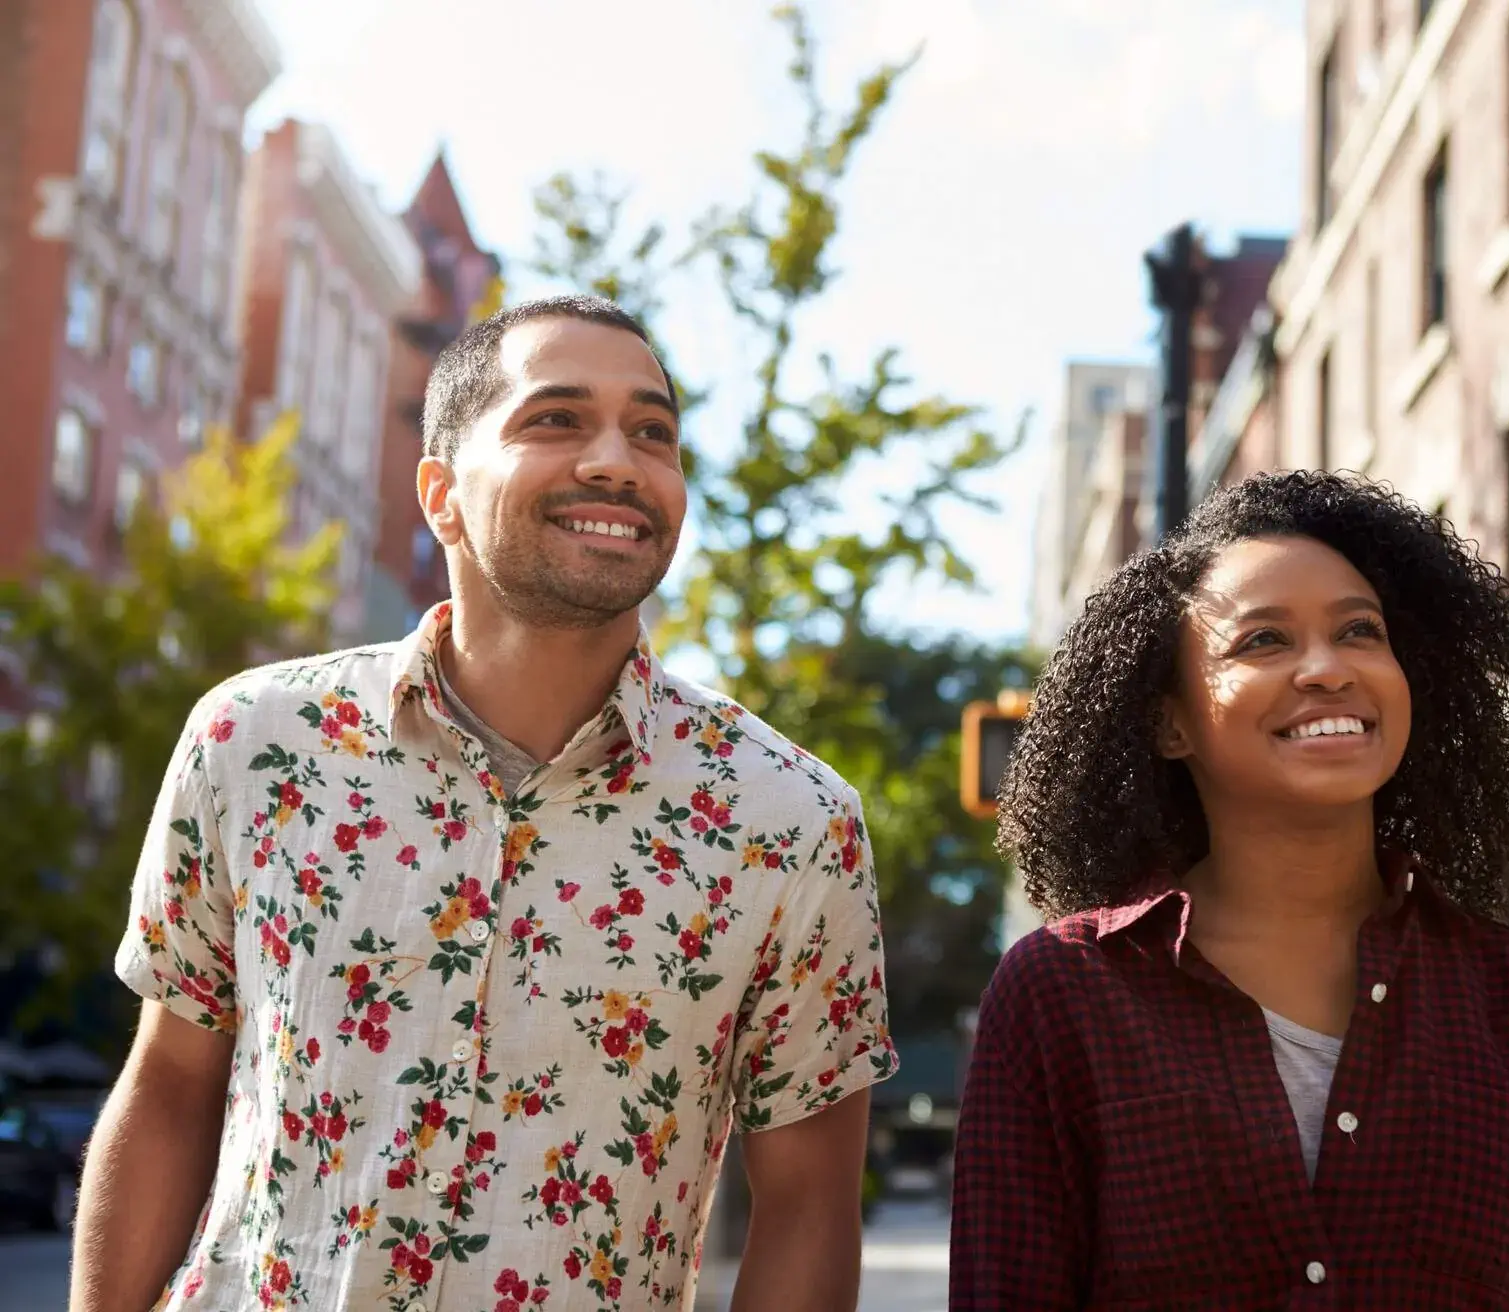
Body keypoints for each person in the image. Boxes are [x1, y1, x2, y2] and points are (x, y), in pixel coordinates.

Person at [71, 295, 896, 1312]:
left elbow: (809, 1207)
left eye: (654, 432)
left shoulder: (793, 823)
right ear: (441, 495)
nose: (616, 461)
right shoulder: (254, 743)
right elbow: (169, 1089)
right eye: (555, 418)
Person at [950, 471, 1509, 1310]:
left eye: (1361, 632)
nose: (1328, 668)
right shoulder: (1061, 995)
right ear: (1168, 722)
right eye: (1263, 641)